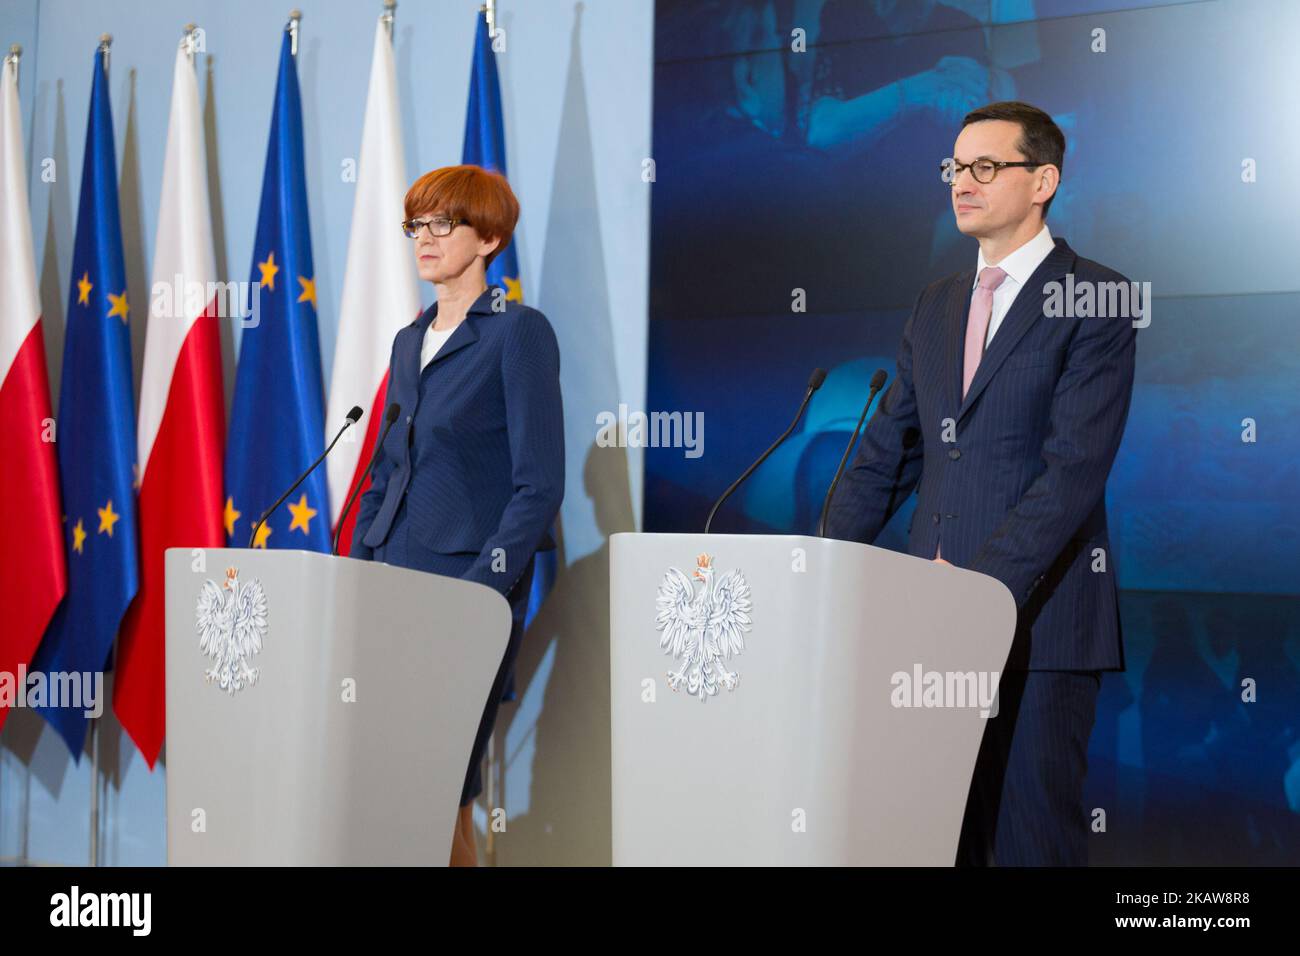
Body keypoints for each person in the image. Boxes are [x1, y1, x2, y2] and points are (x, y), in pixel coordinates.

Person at [827, 101, 1137, 865]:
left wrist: (974, 592)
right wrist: (822, 568)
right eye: (955, 167)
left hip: (1041, 625)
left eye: (986, 167)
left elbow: (1071, 474)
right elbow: (889, 454)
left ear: (1044, 181)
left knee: (1030, 841)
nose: (963, 182)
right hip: (928, 634)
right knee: (940, 842)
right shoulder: (935, 304)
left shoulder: (1096, 298)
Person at [349, 164, 564, 866]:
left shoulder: (517, 333)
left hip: (464, 590)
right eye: (417, 223)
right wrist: (361, 563)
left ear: (490, 237)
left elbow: (538, 485)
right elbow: (388, 468)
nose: (425, 238)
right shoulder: (409, 340)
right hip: (390, 583)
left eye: (444, 223)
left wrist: (481, 589)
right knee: (407, 790)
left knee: (438, 789)